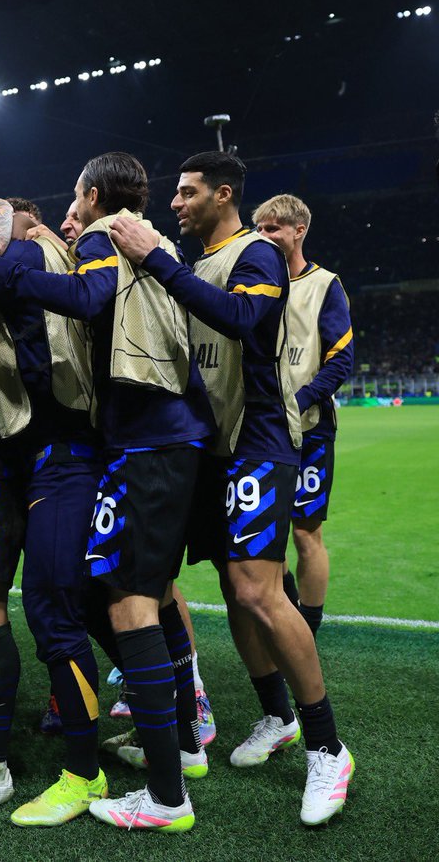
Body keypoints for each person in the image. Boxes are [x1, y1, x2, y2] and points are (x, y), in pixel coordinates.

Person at [0, 152, 214, 832]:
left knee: (58, 608)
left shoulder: (39, 254)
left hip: (78, 455)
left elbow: (79, 297)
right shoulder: (53, 250)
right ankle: (180, 737)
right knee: (101, 604)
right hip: (88, 451)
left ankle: (85, 774)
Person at [110, 152, 353, 827]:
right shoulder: (199, 262)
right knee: (222, 585)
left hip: (259, 439)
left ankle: (328, 748)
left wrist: (158, 262)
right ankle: (267, 716)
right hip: (208, 448)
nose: (176, 203)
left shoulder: (257, 253)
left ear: (223, 195)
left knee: (256, 589)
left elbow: (244, 320)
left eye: (187, 193)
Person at [253, 194, 354, 637]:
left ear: (299, 231)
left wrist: (299, 400)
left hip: (310, 427)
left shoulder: (325, 285)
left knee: (305, 532)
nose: (264, 236)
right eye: (260, 228)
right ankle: (287, 612)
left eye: (274, 228)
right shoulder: (253, 280)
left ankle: (308, 630)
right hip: (260, 428)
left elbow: (341, 359)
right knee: (265, 534)